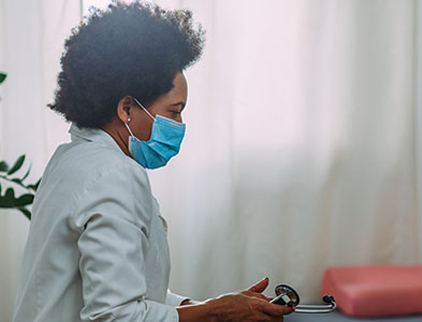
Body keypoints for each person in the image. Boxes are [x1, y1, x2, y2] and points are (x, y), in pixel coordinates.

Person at [11, 2, 294, 322]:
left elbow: (128, 289)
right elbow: (115, 316)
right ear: (127, 108)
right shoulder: (114, 175)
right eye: (174, 111)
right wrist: (217, 313)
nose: (180, 123)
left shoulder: (71, 159)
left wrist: (215, 306)